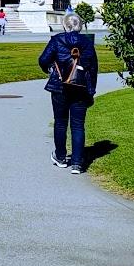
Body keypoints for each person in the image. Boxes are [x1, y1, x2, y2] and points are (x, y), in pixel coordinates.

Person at [39, 11, 99, 174]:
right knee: (78, 125)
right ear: (79, 26)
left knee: (60, 122)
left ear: (65, 26)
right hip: (81, 88)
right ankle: (77, 163)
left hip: (60, 86)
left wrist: (50, 69)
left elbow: (43, 60)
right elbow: (93, 69)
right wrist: (91, 90)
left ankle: (60, 157)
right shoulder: (87, 43)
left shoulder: (57, 40)